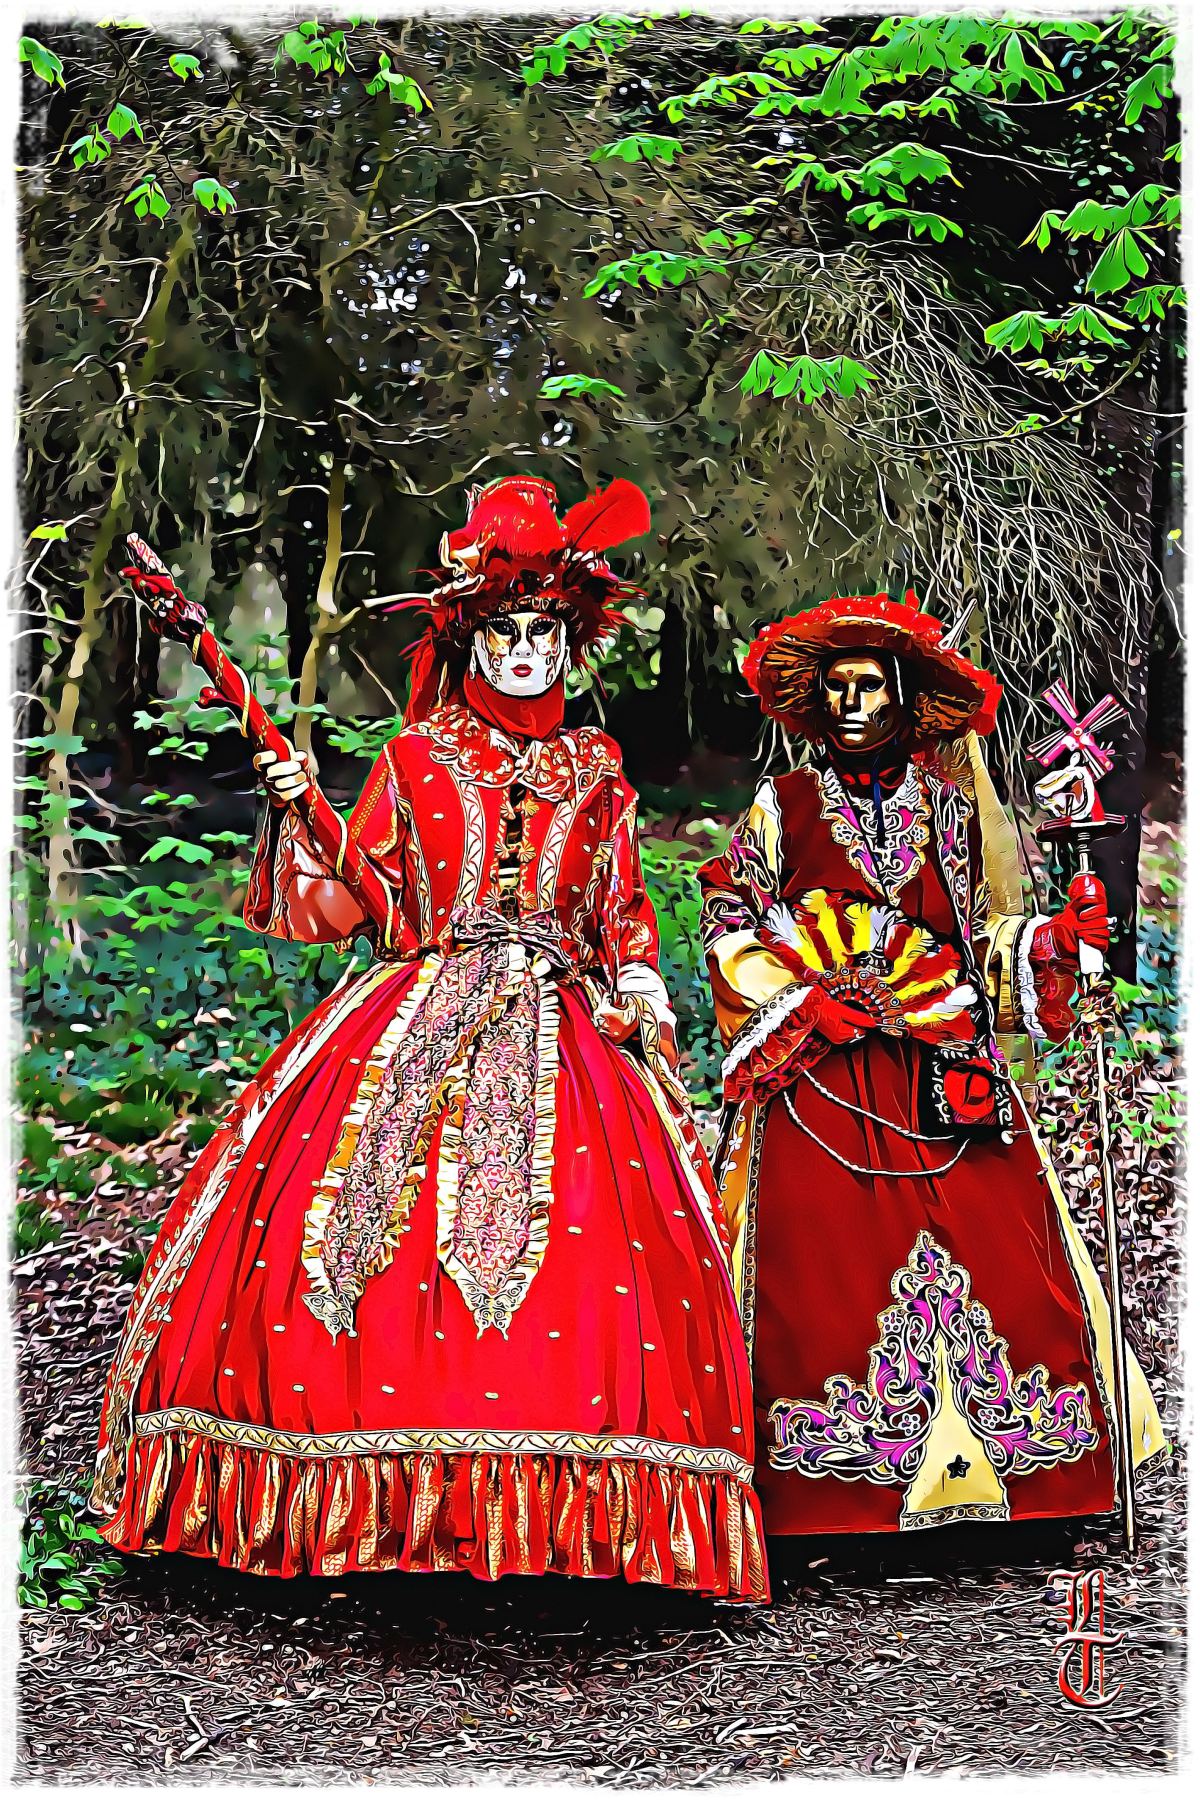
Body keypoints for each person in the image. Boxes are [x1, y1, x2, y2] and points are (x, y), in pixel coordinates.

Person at [92, 474, 767, 1601]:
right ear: (469, 638)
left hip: (568, 1017)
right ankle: (373, 1509)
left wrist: (642, 986)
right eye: (504, 632)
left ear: (571, 637)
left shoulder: (597, 766)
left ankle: (580, 1526)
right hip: (421, 1001)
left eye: (544, 632)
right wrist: (300, 809)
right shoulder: (416, 757)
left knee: (593, 1258)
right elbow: (367, 904)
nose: (525, 653)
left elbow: (621, 909)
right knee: (351, 1233)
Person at [698, 590, 1164, 1536]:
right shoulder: (781, 807)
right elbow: (728, 918)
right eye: (836, 687)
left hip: (939, 1074)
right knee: (811, 1267)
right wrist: (802, 1000)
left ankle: (1028, 1477)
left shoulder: (952, 813)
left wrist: (1050, 944)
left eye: (870, 685)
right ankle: (829, 1497)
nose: (851, 703)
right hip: (821, 1071)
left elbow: (977, 943)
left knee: (1006, 1253)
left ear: (905, 699)